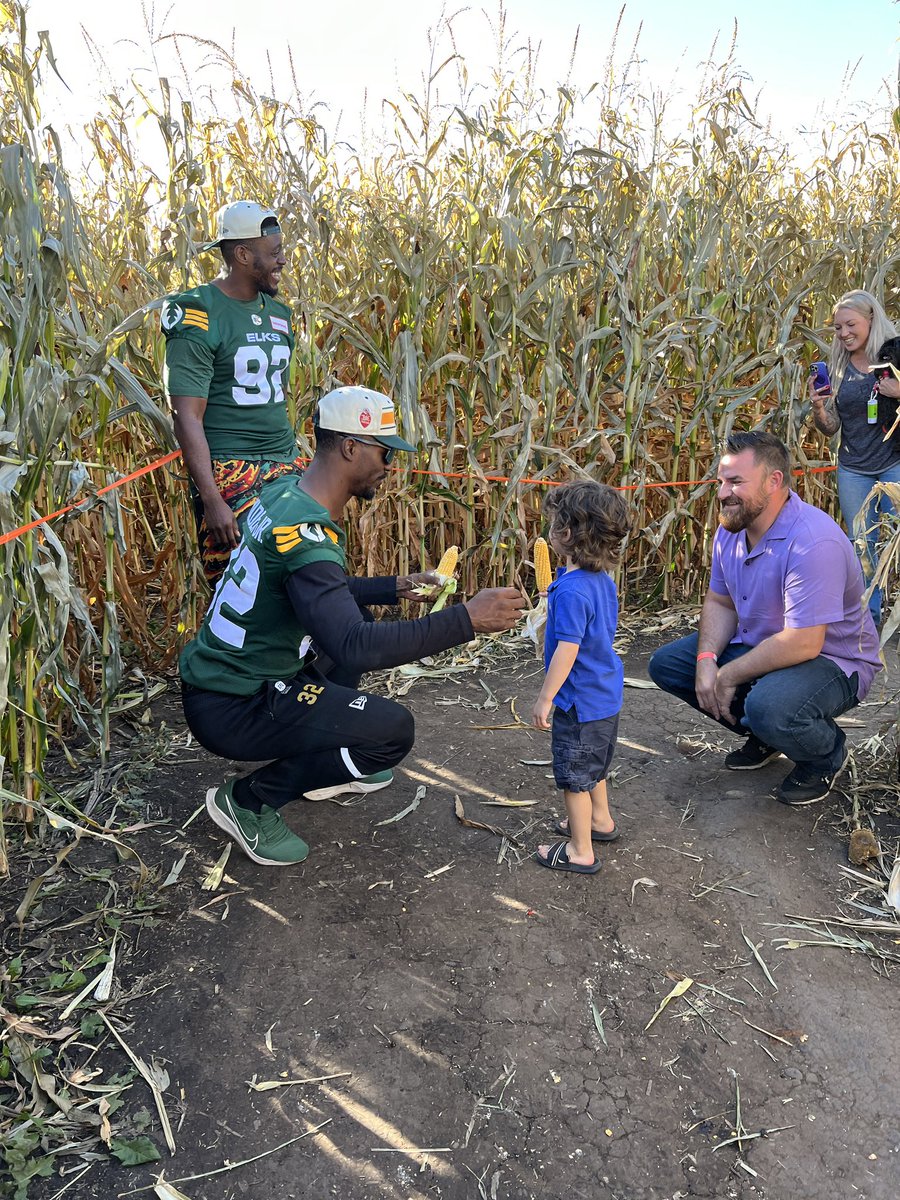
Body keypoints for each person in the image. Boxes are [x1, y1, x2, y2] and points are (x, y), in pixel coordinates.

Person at [180, 385, 526, 866]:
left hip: (225, 677)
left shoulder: (284, 494)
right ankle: (248, 802)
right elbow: (354, 646)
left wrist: (394, 586)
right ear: (350, 447)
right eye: (384, 453)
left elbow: (314, 593)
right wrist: (467, 618)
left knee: (357, 615)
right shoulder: (308, 534)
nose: (388, 466)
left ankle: (324, 764)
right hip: (236, 704)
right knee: (391, 732)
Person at [648, 431, 882, 806]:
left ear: (774, 481)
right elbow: (721, 602)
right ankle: (768, 735)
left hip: (833, 660)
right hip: (766, 643)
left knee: (768, 706)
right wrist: (707, 661)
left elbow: (804, 642)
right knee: (670, 665)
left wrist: (727, 675)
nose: (723, 492)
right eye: (721, 481)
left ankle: (825, 753)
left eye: (736, 481)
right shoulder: (732, 526)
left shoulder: (812, 541)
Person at [162, 200, 304, 586]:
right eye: (274, 253)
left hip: (285, 465)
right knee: (242, 587)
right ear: (242, 254)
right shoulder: (198, 312)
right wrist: (211, 498)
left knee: (302, 573)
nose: (283, 262)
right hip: (231, 471)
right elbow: (186, 415)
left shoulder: (280, 315)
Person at [531, 481, 630, 874]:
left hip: (578, 701)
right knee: (595, 768)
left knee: (574, 778)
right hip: (604, 696)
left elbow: (567, 652)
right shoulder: (600, 580)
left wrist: (545, 697)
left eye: (554, 523)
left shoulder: (571, 592)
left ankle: (580, 851)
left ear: (566, 534)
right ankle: (599, 821)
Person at [809, 289, 900, 623]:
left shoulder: (895, 355)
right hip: (854, 470)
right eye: (837, 327)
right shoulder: (838, 366)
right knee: (862, 546)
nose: (844, 333)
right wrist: (819, 406)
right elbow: (831, 427)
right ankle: (867, 619)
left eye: (850, 324)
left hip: (895, 464)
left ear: (871, 320)